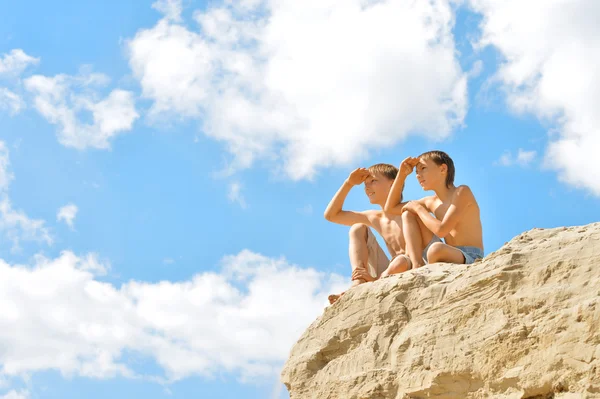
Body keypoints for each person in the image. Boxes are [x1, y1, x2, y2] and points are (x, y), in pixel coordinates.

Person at [324, 162, 436, 305]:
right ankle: (359, 281)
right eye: (365, 184)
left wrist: (377, 279)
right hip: (392, 268)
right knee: (357, 228)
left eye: (373, 181)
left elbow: (408, 256)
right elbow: (331, 215)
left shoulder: (410, 209)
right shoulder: (374, 217)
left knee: (400, 261)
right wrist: (349, 183)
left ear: (392, 184)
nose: (367, 187)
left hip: (413, 264)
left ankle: (374, 281)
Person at [384, 150, 484, 267]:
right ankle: (417, 264)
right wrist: (401, 175)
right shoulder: (430, 201)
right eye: (416, 172)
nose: (418, 175)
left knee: (435, 249)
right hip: (445, 251)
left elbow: (442, 230)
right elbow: (390, 208)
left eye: (423, 168)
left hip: (471, 256)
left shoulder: (462, 192)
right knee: (407, 213)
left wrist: (419, 208)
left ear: (442, 169)